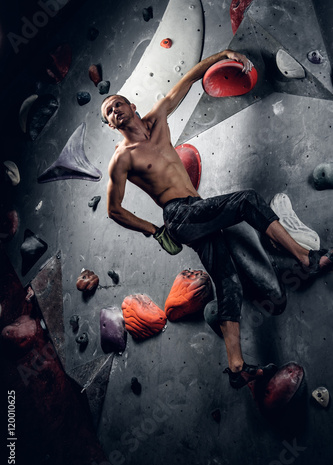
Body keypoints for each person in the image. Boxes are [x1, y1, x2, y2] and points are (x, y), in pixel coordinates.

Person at [101, 49, 333, 389]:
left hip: (196, 211)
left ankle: (237, 367)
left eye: (117, 104)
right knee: (247, 201)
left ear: (131, 106)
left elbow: (190, 78)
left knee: (228, 282)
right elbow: (113, 209)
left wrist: (222, 55)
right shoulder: (122, 159)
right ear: (110, 125)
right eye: (108, 112)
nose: (114, 111)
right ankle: (304, 258)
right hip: (179, 215)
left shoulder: (158, 116)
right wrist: (154, 230)